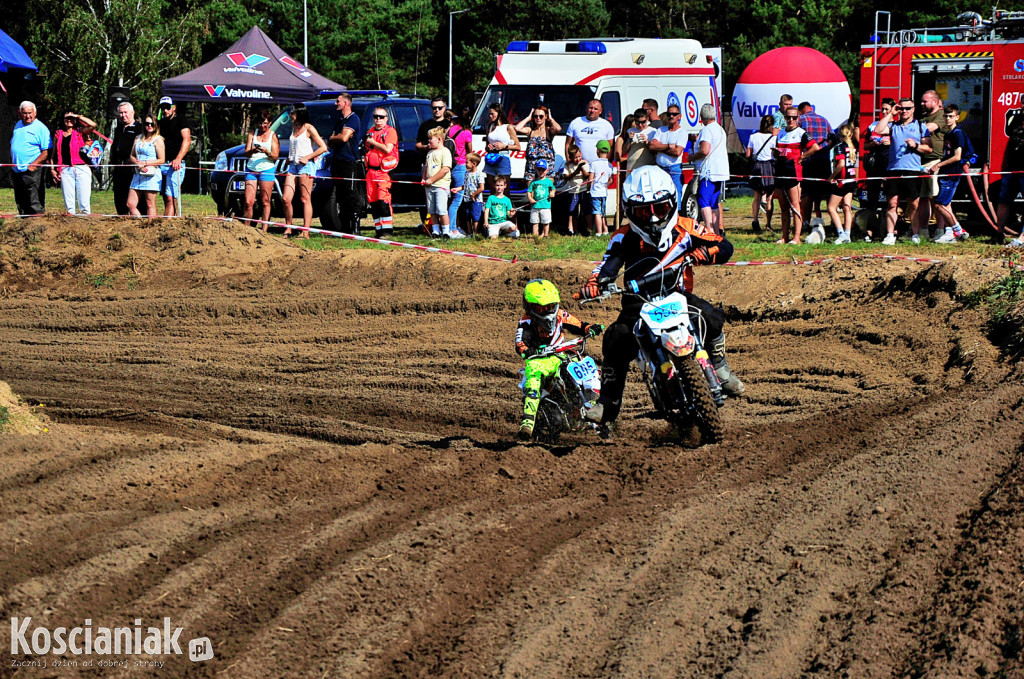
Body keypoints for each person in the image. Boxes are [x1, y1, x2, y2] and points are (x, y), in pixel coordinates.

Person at [574, 165, 743, 436]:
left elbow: (724, 245)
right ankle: (608, 403)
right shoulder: (623, 236)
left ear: (672, 204)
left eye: (659, 209)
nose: (652, 218)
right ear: (630, 212)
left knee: (711, 315)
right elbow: (607, 265)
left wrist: (703, 254)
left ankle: (720, 366)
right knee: (615, 338)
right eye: (643, 212)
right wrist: (595, 285)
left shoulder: (685, 227)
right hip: (637, 304)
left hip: (677, 296)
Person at [515, 278, 603, 440]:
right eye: (540, 308)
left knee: (581, 365)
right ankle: (527, 423)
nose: (546, 310)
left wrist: (591, 328)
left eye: (548, 306)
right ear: (530, 307)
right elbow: (520, 342)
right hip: (539, 360)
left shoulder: (560, 315)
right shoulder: (526, 321)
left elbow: (579, 325)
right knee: (533, 376)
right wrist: (527, 351)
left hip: (559, 356)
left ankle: (596, 406)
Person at [874, 97, 932, 245]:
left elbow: (928, 148)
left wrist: (915, 146)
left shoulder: (920, 126)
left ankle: (915, 233)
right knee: (892, 204)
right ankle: (890, 235)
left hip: (912, 170)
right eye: (902, 108)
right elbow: (878, 130)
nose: (904, 111)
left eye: (908, 108)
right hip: (893, 170)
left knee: (914, 205)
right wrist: (891, 113)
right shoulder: (894, 125)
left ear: (913, 109)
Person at [773, 106, 818, 243]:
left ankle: (796, 237)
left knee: (795, 206)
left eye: (794, 117)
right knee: (783, 208)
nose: (791, 120)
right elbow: (777, 151)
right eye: (788, 117)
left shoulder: (801, 133)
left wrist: (802, 157)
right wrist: (776, 153)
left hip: (793, 172)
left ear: (798, 118)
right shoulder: (780, 133)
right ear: (784, 118)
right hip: (780, 171)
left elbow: (815, 147)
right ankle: (784, 236)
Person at [281, 105, 327, 238]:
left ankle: (305, 231)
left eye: (292, 113)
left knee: (305, 198)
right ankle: (288, 228)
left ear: (299, 113)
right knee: (286, 198)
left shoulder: (309, 128)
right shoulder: (293, 127)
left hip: (306, 167)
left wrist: (308, 157)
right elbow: (295, 145)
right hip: (293, 166)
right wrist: (289, 157)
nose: (290, 115)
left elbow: (323, 147)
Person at [929, 105, 970, 244]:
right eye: (946, 116)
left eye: (951, 116)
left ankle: (958, 230)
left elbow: (957, 156)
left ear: (957, 117)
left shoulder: (958, 133)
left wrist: (938, 165)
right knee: (947, 205)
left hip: (952, 173)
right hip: (945, 173)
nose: (947, 118)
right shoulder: (948, 134)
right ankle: (949, 232)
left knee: (939, 204)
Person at [687, 103, 729, 235]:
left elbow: (705, 150)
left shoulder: (706, 130)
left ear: (701, 117)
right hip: (720, 170)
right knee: (713, 202)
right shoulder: (720, 129)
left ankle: (709, 231)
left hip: (709, 171)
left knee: (703, 200)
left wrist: (692, 157)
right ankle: (715, 231)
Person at [50, 110, 98, 215]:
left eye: (71, 118)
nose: (69, 120)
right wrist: (52, 169)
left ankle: (85, 222)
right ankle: (70, 224)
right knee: (69, 204)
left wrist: (77, 116)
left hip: (82, 168)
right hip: (65, 169)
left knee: (84, 201)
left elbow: (93, 125)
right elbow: (53, 154)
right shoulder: (59, 134)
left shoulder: (80, 132)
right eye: (66, 118)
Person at [862, 98, 897, 241]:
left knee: (891, 200)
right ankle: (869, 231)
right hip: (874, 166)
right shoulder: (873, 126)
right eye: (882, 109)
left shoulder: (897, 125)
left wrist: (891, 143)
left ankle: (890, 230)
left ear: (893, 111)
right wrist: (874, 144)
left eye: (886, 109)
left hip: (890, 165)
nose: (883, 112)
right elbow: (865, 146)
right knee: (872, 200)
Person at [328, 93, 362, 234]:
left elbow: (343, 138)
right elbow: (331, 140)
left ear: (346, 103)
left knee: (351, 194)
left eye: (338, 101)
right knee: (340, 195)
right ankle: (345, 227)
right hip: (338, 162)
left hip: (350, 162)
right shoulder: (340, 121)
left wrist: (337, 137)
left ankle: (355, 227)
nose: (336, 104)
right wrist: (337, 137)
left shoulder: (353, 119)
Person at [797, 102, 834, 232]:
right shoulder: (824, 120)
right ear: (811, 108)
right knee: (822, 191)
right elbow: (834, 137)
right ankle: (823, 220)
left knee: (807, 191)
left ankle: (806, 221)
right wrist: (826, 147)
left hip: (808, 158)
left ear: (801, 111)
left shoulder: (800, 119)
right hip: (823, 158)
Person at [10, 101, 51, 216]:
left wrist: (34, 164)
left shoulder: (41, 128)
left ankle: (37, 223)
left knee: (34, 199)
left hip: (32, 170)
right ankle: (24, 224)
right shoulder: (18, 124)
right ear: (20, 113)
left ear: (35, 112)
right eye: (24, 113)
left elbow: (45, 152)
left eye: (30, 113)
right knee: (21, 199)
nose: (27, 116)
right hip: (17, 169)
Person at [415, 97, 451, 228]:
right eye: (434, 108)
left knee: (443, 202)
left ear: (444, 109)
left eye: (439, 108)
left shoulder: (449, 125)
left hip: (445, 165)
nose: (437, 110)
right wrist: (427, 147)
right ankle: (430, 226)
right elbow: (417, 144)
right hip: (428, 163)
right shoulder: (425, 125)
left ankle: (447, 228)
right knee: (429, 202)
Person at [242, 109, 280, 231]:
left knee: (265, 201)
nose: (262, 126)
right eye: (260, 123)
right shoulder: (252, 134)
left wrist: (267, 152)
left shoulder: (273, 136)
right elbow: (246, 153)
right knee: (248, 202)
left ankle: (264, 229)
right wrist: (253, 150)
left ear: (269, 123)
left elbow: (275, 156)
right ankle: (246, 228)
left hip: (267, 169)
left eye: (265, 123)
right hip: (252, 169)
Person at [365, 107, 399, 236]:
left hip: (383, 172)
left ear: (386, 119)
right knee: (373, 202)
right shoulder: (371, 131)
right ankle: (378, 230)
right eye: (375, 117)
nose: (378, 119)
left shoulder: (390, 132)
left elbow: (387, 149)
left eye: (381, 117)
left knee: (383, 200)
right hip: (371, 172)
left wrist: (373, 142)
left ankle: (387, 230)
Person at [918, 90, 948, 237]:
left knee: (936, 198)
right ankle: (923, 231)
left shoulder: (941, 116)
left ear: (935, 102)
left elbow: (929, 128)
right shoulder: (923, 117)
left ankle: (940, 230)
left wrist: (911, 129)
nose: (922, 104)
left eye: (925, 101)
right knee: (923, 198)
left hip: (935, 161)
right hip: (921, 162)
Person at [648, 103, 688, 208]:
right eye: (669, 114)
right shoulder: (661, 130)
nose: (671, 116)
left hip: (674, 169)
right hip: (660, 168)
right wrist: (669, 146)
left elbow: (677, 152)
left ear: (679, 116)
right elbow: (652, 147)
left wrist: (660, 147)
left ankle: (677, 220)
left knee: (675, 197)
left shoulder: (682, 132)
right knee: (659, 197)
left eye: (674, 114)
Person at [156, 97, 191, 217]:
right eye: (163, 108)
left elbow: (187, 140)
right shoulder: (160, 123)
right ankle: (170, 221)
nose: (165, 110)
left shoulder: (181, 119)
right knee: (166, 198)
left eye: (167, 107)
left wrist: (178, 158)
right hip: (162, 164)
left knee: (171, 197)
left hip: (175, 165)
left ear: (173, 107)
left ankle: (169, 224)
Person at [127, 114, 165, 217]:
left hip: (151, 175)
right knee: (130, 204)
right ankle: (139, 224)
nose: (149, 126)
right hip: (138, 173)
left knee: (150, 203)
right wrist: (137, 163)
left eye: (152, 124)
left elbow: (162, 160)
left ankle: (151, 227)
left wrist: (146, 163)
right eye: (147, 123)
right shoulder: (138, 138)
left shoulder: (158, 140)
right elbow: (131, 155)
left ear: (156, 125)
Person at [423, 126, 457, 239]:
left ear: (439, 139)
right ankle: (436, 231)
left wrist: (432, 180)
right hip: (429, 186)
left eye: (431, 139)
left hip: (441, 186)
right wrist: (424, 179)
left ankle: (446, 231)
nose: (429, 141)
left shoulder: (445, 152)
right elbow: (426, 167)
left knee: (441, 209)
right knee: (432, 210)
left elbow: (445, 169)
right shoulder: (430, 152)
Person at [996, 106, 1024, 244]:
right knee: (1004, 201)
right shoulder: (1017, 120)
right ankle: (999, 232)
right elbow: (1010, 143)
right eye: (1022, 103)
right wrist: (1003, 165)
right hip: (1012, 169)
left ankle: (1022, 237)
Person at [111, 102, 144, 216]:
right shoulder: (119, 128)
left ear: (132, 112)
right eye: (121, 113)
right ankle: (122, 217)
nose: (123, 115)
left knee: (135, 198)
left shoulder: (139, 128)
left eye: (125, 112)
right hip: (118, 168)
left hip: (132, 168)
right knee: (119, 196)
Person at [827, 123, 858, 244]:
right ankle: (847, 234)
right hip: (851, 180)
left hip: (841, 181)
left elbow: (840, 164)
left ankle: (841, 233)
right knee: (847, 207)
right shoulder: (852, 147)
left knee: (831, 208)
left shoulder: (839, 147)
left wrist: (831, 177)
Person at [746, 114, 777, 233]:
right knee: (769, 197)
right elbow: (775, 155)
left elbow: (748, 154)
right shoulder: (773, 139)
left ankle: (755, 220)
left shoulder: (753, 137)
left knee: (757, 197)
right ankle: (768, 223)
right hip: (769, 167)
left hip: (756, 167)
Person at [515, 105, 561, 182]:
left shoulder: (549, 130)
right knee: (531, 190)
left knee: (546, 190)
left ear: (546, 116)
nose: (538, 118)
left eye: (541, 116)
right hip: (532, 165)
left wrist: (551, 119)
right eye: (536, 116)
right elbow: (517, 128)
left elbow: (558, 128)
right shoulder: (530, 130)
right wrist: (529, 117)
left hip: (547, 164)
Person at [446, 107, 474, 232]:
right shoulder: (467, 133)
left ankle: (451, 226)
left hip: (450, 164)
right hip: (461, 165)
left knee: (451, 198)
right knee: (457, 200)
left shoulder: (451, 130)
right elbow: (469, 151)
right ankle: (452, 228)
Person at [482, 103, 520, 190]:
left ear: (499, 113)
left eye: (493, 114)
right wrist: (489, 147)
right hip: (491, 159)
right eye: (489, 114)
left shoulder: (508, 127)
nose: (491, 116)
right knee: (492, 188)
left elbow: (518, 146)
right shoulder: (490, 127)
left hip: (503, 158)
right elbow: (486, 147)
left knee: (504, 189)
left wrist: (504, 146)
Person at [566, 99, 615, 163]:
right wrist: (569, 161)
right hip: (579, 165)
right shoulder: (575, 122)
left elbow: (610, 147)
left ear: (600, 111)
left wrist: (606, 164)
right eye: (590, 108)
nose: (592, 111)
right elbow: (568, 144)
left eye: (595, 109)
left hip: (599, 166)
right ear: (586, 109)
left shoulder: (607, 125)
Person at [561, 143, 592, 236]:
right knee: (573, 211)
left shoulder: (584, 163)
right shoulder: (568, 165)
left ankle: (590, 229)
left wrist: (581, 168)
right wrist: (576, 171)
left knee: (587, 211)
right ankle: (574, 230)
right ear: (570, 157)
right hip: (573, 191)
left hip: (583, 190)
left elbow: (587, 176)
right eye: (575, 158)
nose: (578, 159)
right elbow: (567, 177)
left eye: (579, 156)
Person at [527, 159, 555, 237]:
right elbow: (529, 191)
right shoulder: (534, 182)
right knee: (535, 222)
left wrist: (552, 193)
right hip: (535, 206)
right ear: (536, 169)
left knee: (546, 222)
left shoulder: (548, 181)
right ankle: (535, 236)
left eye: (543, 170)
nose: (541, 172)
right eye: (539, 169)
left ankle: (545, 235)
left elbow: (553, 189)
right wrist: (530, 199)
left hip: (545, 206)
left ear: (547, 171)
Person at [590, 140, 613, 236]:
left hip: (595, 192)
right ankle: (606, 230)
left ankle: (599, 232)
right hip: (604, 192)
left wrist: (589, 187)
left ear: (598, 150)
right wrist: (606, 185)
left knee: (597, 213)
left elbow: (591, 179)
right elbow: (611, 180)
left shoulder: (594, 163)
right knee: (603, 212)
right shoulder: (610, 165)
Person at [462, 152, 486, 235]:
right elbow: (464, 185)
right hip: (467, 199)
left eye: (467, 162)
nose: (465, 164)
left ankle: (476, 233)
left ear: (474, 164)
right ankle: (469, 233)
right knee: (467, 216)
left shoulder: (479, 174)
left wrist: (474, 194)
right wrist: (457, 189)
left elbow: (481, 187)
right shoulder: (466, 173)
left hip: (476, 200)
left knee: (475, 216)